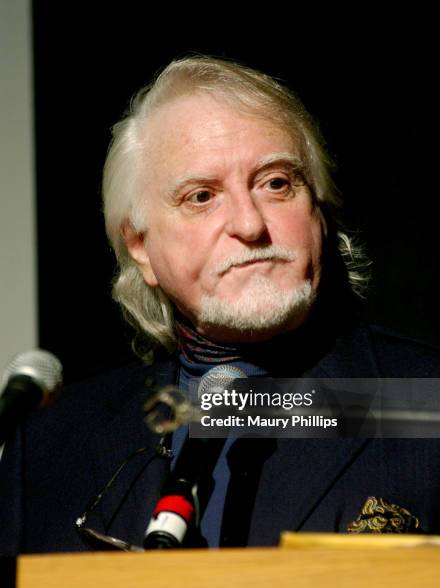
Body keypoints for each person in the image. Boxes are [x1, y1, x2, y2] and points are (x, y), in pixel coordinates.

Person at [1, 56, 440, 555]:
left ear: (319, 208)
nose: (250, 225)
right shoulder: (51, 445)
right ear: (141, 247)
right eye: (202, 196)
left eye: (276, 183)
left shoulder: (426, 404)